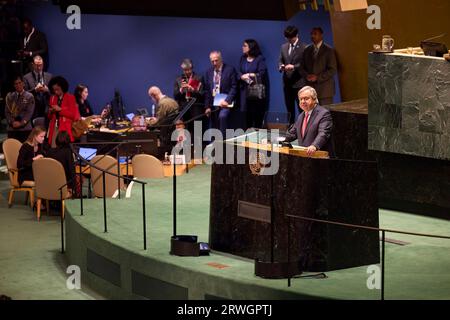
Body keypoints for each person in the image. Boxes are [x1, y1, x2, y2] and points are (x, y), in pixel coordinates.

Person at [285, 86, 333, 157]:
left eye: (306, 99)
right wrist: (276, 140)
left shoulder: (323, 114)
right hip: (304, 157)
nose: (303, 101)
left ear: (314, 99)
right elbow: (292, 134)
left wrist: (314, 146)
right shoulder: (301, 116)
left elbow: (323, 133)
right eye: (301, 99)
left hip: (319, 157)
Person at [204, 51, 238, 137]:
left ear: (221, 59)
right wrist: (207, 107)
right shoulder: (209, 72)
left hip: (226, 102)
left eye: (216, 60)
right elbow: (207, 91)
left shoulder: (230, 70)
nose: (214, 63)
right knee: (214, 123)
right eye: (212, 61)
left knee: (223, 117)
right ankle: (216, 145)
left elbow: (234, 87)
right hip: (214, 102)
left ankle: (223, 143)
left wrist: (227, 101)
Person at [300, 27, 337, 106]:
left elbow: (332, 69)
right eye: (311, 34)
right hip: (310, 91)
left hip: (325, 91)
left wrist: (317, 77)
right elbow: (301, 67)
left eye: (315, 34)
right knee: (313, 116)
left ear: (321, 35)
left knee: (325, 114)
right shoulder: (307, 49)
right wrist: (307, 76)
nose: (312, 36)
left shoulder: (329, 50)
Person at [278, 25, 306, 125]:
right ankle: (291, 132)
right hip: (287, 83)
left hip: (299, 83)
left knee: (302, 109)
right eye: (287, 38)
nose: (290, 40)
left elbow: (305, 64)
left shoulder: (304, 47)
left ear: (296, 35)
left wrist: (294, 66)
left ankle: (304, 131)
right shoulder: (283, 47)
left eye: (291, 38)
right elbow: (280, 60)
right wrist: (281, 66)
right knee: (289, 110)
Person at [238, 39, 268, 129]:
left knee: (257, 115)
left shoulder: (259, 59)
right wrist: (242, 76)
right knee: (247, 116)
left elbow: (262, 73)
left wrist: (250, 74)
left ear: (251, 47)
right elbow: (239, 71)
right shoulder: (242, 58)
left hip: (256, 92)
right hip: (244, 91)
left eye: (245, 46)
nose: (242, 47)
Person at [173, 58, 205, 139]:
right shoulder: (178, 79)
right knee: (185, 132)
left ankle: (197, 149)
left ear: (192, 68)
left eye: (188, 70)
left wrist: (192, 90)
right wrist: (180, 90)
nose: (187, 72)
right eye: (185, 70)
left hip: (196, 107)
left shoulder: (198, 78)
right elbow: (175, 96)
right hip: (183, 108)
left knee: (197, 132)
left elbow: (202, 94)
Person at [47, 76, 80, 146]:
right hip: (54, 128)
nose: (56, 92)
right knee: (54, 148)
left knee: (64, 149)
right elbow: (49, 117)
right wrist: (50, 111)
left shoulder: (70, 98)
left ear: (62, 87)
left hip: (66, 129)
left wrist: (60, 110)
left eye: (57, 89)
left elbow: (73, 115)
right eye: (54, 90)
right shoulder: (52, 98)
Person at [148, 86, 179, 156]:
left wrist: (147, 122)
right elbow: (165, 118)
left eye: (151, 97)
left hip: (165, 133)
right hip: (172, 131)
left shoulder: (162, 104)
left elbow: (158, 123)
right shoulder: (172, 101)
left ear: (153, 96)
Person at [5, 76, 35, 142]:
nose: (18, 85)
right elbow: (7, 112)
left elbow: (29, 112)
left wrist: (21, 123)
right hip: (12, 128)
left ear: (23, 83)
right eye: (16, 84)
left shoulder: (29, 96)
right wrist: (12, 122)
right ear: (14, 85)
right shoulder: (10, 96)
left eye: (20, 83)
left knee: (24, 149)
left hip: (25, 128)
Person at [23, 55, 52, 120]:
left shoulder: (49, 76)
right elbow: (24, 95)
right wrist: (35, 90)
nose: (39, 68)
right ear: (32, 65)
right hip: (33, 109)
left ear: (43, 64)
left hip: (47, 109)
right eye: (37, 65)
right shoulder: (26, 77)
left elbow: (53, 93)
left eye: (40, 65)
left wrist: (47, 90)